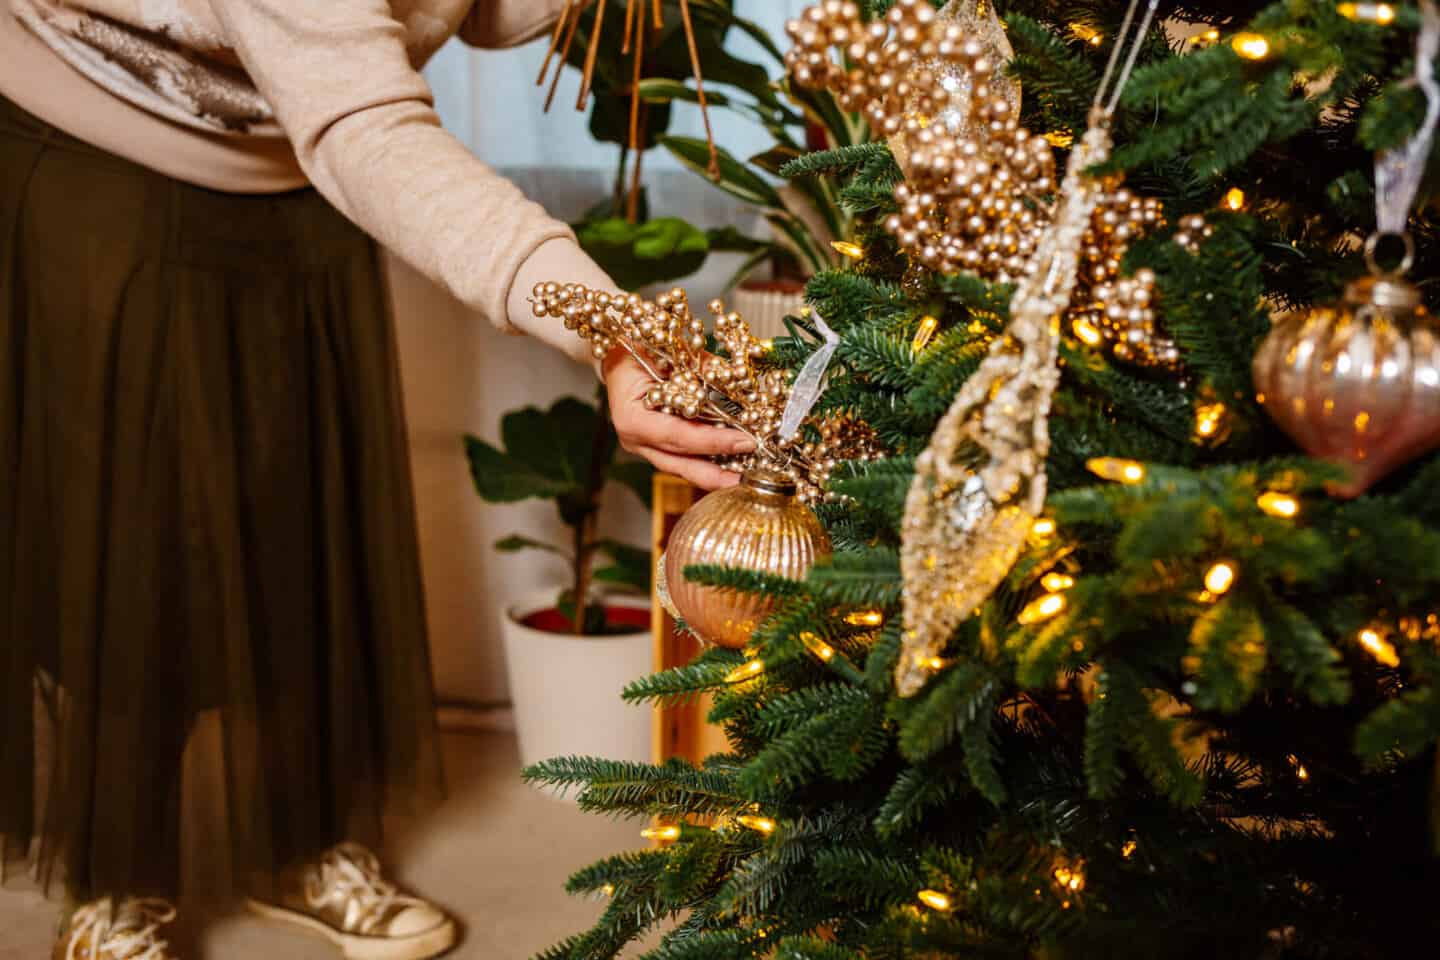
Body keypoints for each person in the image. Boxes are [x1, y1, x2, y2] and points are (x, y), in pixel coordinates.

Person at [0, 2, 750, 958]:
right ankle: (117, 876)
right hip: (101, 127)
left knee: (306, 510)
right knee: (138, 528)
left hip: (298, 142)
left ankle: (300, 842)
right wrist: (606, 329)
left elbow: (467, 15)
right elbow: (364, 121)